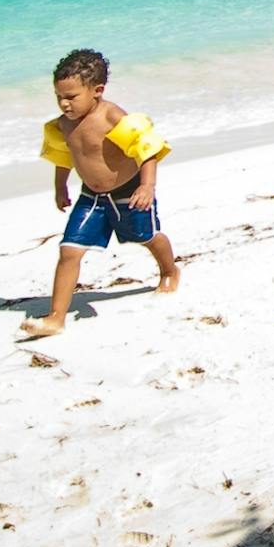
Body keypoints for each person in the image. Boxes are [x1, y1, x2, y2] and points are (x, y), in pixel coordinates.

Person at [22, 48, 179, 338]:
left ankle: (170, 271)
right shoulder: (63, 124)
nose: (64, 104)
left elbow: (147, 149)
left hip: (129, 192)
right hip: (90, 197)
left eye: (71, 97)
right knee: (69, 250)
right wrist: (59, 186)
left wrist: (147, 186)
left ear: (97, 90)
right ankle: (56, 317)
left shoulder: (113, 117)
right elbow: (63, 156)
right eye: (59, 96)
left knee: (146, 236)